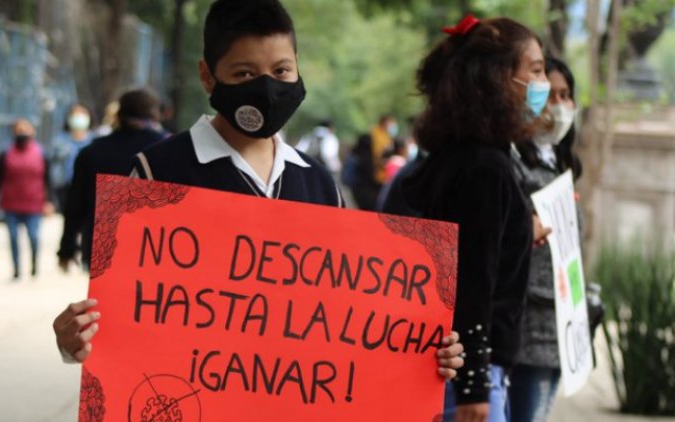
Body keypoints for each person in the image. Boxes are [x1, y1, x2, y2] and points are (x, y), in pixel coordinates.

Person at [52, 0, 464, 382]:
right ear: (207, 76)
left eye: (282, 71)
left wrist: (421, 355)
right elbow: (122, 313)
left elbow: (344, 321)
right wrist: (74, 341)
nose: (267, 88)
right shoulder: (156, 172)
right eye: (245, 74)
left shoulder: (319, 184)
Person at [390, 15, 550, 422]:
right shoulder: (485, 168)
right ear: (498, 79)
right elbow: (470, 286)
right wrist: (474, 387)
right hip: (467, 378)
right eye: (534, 70)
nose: (543, 83)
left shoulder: (457, 158)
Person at [508, 57, 582, 422]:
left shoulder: (560, 163)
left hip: (562, 322)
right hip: (528, 325)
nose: (559, 105)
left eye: (566, 95)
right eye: (549, 93)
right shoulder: (511, 160)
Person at [57, 89, 165, 272]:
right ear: (154, 114)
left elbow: (75, 205)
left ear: (119, 113)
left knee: (105, 300)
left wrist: (67, 249)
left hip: (101, 245)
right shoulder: (167, 149)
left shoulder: (92, 152)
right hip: (152, 248)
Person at [0, 119, 55, 280]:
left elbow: (48, 180)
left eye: (26, 129)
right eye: (19, 129)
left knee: (33, 236)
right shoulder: (5, 154)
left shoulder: (41, 153)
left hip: (34, 203)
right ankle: (16, 268)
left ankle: (33, 264)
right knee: (13, 237)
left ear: (33, 131)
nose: (22, 133)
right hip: (11, 203)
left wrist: (49, 201)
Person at [50, 104, 95, 212]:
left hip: (89, 188)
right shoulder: (59, 141)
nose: (78, 116)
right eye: (75, 113)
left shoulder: (95, 140)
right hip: (66, 188)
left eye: (82, 113)